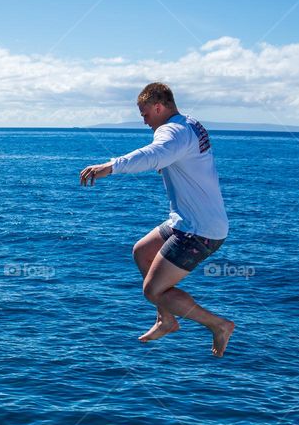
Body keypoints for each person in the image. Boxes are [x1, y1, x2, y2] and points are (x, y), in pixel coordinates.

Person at [80, 82, 235, 356]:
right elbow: (177, 157)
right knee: (142, 251)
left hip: (199, 230)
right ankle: (166, 319)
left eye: (145, 115)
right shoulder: (189, 125)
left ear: (158, 107)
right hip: (186, 221)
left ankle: (219, 325)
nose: (144, 121)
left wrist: (111, 166)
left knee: (153, 290)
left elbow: (154, 154)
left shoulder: (172, 131)